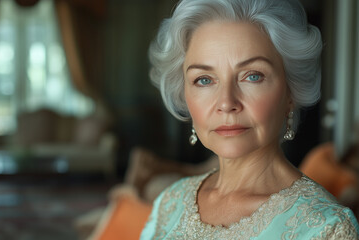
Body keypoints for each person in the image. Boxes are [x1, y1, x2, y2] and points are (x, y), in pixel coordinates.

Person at [140, 0, 359, 239]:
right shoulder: (170, 202)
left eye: (252, 76)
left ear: (290, 93)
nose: (226, 103)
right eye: (204, 80)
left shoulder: (327, 227)